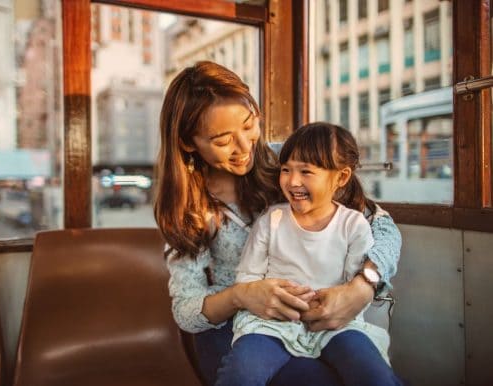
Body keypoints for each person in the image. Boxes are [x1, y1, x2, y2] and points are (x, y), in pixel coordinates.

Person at [153, 61, 401, 386]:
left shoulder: (288, 164)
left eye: (248, 124)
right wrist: (242, 296)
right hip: (239, 332)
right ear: (188, 142)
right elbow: (186, 310)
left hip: (314, 323)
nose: (245, 147)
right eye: (222, 139)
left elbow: (383, 228)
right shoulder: (188, 207)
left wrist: (362, 286)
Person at [214, 122, 402, 386]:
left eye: (306, 171)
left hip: (336, 326)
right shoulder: (272, 220)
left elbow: (352, 290)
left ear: (341, 177)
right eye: (286, 170)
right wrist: (266, 294)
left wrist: (333, 302)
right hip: (271, 325)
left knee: (375, 376)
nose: (292, 181)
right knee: (240, 374)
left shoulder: (354, 225)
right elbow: (247, 278)